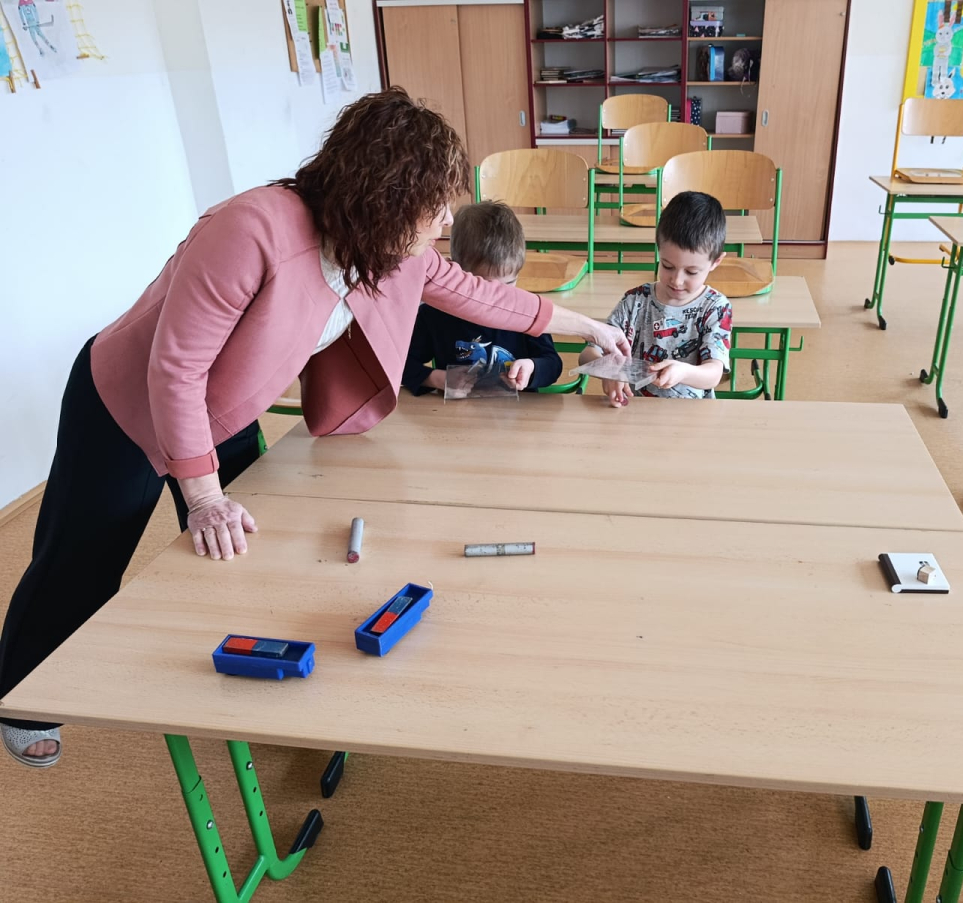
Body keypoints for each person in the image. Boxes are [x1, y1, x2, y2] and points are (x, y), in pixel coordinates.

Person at [0, 88, 628, 768]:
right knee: (82, 563)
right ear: (387, 194)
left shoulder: (389, 247)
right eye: (436, 204)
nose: (447, 220)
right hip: (124, 406)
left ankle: (255, 672)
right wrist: (203, 496)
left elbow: (479, 295)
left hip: (225, 407)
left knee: (248, 553)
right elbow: (174, 370)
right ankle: (19, 701)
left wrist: (586, 325)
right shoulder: (249, 230)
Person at [578, 191, 733, 407]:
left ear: (716, 262)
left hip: (691, 414)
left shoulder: (716, 307)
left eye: (692, 272)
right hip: (636, 411)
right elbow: (588, 354)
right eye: (667, 266)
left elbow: (713, 374)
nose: (677, 280)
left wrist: (683, 372)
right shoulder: (635, 300)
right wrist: (610, 370)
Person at [403, 201, 562, 396]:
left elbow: (553, 365)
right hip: (456, 413)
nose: (499, 299)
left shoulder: (527, 310)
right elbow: (401, 365)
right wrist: (438, 379)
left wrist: (532, 367)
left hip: (520, 412)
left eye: (509, 284)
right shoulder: (433, 315)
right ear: (453, 274)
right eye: (485, 289)